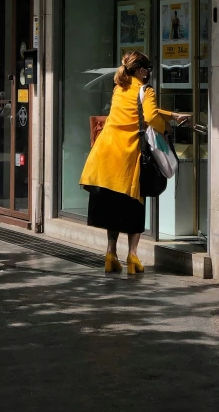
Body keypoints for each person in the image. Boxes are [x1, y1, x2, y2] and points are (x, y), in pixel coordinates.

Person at [80, 50, 190, 275]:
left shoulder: (119, 87)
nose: (149, 73)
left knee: (113, 207)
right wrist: (166, 127)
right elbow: (149, 117)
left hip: (106, 155)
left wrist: (171, 114)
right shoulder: (145, 89)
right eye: (147, 69)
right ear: (141, 70)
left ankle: (110, 255)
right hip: (129, 157)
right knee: (134, 207)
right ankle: (133, 257)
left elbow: (138, 110)